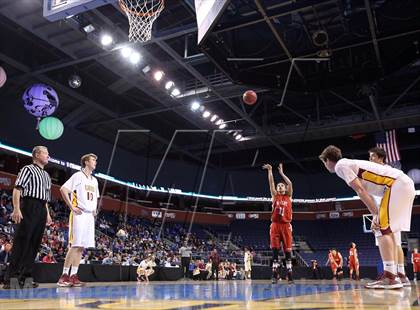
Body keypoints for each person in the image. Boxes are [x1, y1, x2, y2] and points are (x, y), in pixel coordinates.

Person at [319, 145, 415, 289]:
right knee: (387, 230)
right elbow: (367, 191)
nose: (325, 166)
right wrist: (375, 212)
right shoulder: (349, 163)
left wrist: (375, 213)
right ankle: (395, 275)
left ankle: (390, 277)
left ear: (327, 160)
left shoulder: (340, 165)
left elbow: (360, 190)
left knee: (381, 228)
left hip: (395, 185)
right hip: (401, 185)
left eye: (324, 163)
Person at [3, 146, 52, 289]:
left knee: (34, 244)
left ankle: (26, 278)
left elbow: (46, 199)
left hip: (41, 208)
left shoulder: (47, 175)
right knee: (22, 242)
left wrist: (47, 214)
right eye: (46, 153)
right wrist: (17, 208)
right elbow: (17, 189)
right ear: (37, 155)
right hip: (29, 205)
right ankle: (11, 279)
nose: (48, 156)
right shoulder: (28, 169)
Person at [368, 147, 410, 286]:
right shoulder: (386, 171)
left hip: (387, 210)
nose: (370, 159)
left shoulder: (384, 172)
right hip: (392, 208)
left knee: (387, 241)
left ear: (381, 158)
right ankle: (401, 275)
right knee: (396, 243)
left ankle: (391, 277)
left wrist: (377, 215)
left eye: (372, 156)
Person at [57, 153, 99, 287]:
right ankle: (63, 276)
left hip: (89, 216)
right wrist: (71, 206)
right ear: (86, 162)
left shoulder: (94, 180)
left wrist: (94, 209)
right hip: (79, 213)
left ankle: (73, 275)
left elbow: (96, 197)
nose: (95, 162)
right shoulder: (77, 176)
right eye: (93, 160)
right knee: (74, 245)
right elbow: (63, 189)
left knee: (81, 247)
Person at [262, 163, 294, 284]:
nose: (280, 187)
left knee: (287, 252)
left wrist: (281, 173)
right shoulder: (274, 196)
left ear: (285, 188)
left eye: (282, 186)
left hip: (286, 226)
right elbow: (271, 183)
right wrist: (270, 171)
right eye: (278, 185)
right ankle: (274, 274)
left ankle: (289, 275)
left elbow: (290, 183)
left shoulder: (288, 196)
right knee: (275, 251)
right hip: (275, 225)